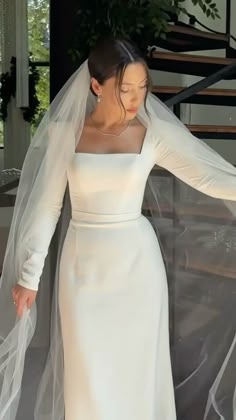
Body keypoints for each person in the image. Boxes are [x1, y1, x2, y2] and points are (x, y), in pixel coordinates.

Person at [0, 37, 236, 420]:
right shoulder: (66, 132)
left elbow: (208, 178)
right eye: (126, 88)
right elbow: (47, 206)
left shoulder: (152, 133)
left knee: (137, 371)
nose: (136, 98)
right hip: (82, 270)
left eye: (143, 87)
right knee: (88, 372)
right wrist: (30, 275)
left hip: (137, 268)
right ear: (96, 86)